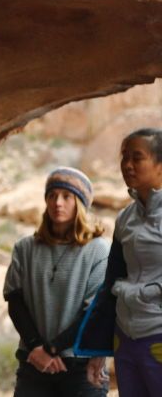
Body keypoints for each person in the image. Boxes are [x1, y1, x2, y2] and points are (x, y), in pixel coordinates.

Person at [3, 167, 109, 396]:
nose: (57, 203)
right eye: (52, 196)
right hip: (33, 365)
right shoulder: (25, 248)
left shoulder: (99, 250)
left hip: (81, 368)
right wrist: (37, 348)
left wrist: (51, 349)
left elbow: (93, 312)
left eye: (66, 196)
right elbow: (14, 301)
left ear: (80, 203)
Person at [76, 128, 162, 396]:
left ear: (160, 165)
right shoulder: (126, 218)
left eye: (137, 158)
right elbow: (111, 282)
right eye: (124, 156)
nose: (127, 164)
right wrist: (98, 349)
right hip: (125, 339)